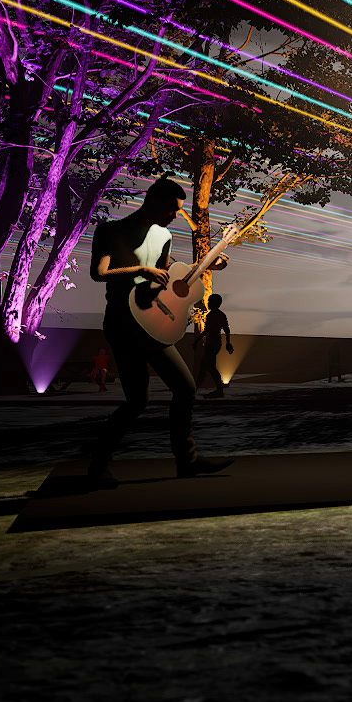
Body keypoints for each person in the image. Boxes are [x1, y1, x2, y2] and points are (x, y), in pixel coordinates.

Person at [83, 177, 233, 487]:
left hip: (153, 321)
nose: (175, 216)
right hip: (123, 322)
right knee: (138, 400)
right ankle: (98, 467)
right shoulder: (111, 231)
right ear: (153, 201)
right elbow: (99, 273)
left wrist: (206, 266)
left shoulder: (164, 236)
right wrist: (140, 270)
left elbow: (167, 278)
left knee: (185, 388)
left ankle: (187, 461)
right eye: (171, 210)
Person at [193, 293, 233, 398]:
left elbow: (207, 330)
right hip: (215, 343)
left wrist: (196, 341)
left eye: (209, 301)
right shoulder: (221, 315)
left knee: (208, 367)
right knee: (205, 367)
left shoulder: (211, 315)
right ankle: (195, 390)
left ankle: (218, 391)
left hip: (212, 344)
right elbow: (226, 329)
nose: (208, 303)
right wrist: (228, 342)